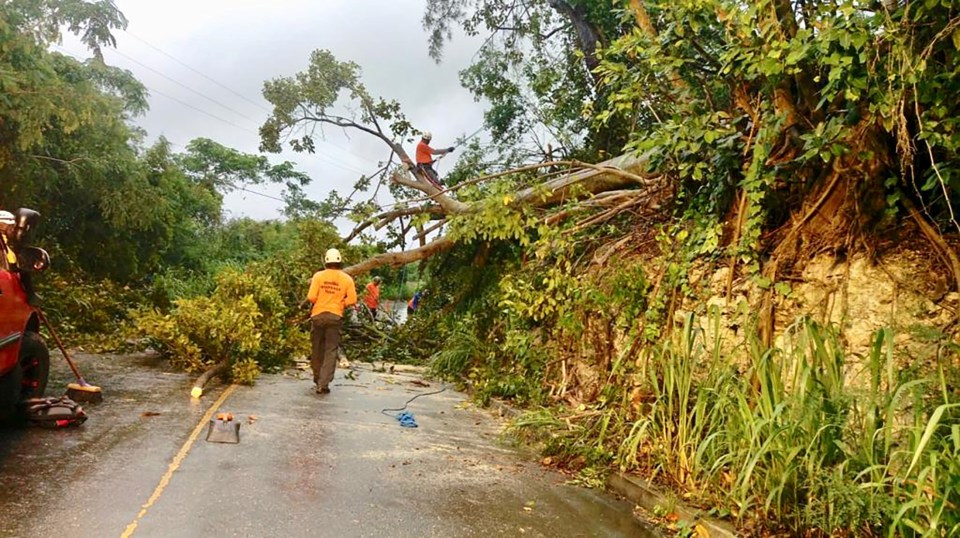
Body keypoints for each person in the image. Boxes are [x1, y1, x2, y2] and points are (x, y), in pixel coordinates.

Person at [306, 248, 357, 394]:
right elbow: (352, 299)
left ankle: (317, 379)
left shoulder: (318, 276)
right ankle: (324, 383)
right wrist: (340, 303)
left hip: (318, 316)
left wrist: (322, 300)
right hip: (335, 317)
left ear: (326, 261)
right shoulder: (347, 279)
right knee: (331, 350)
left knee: (317, 349)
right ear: (340, 261)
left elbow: (311, 297)